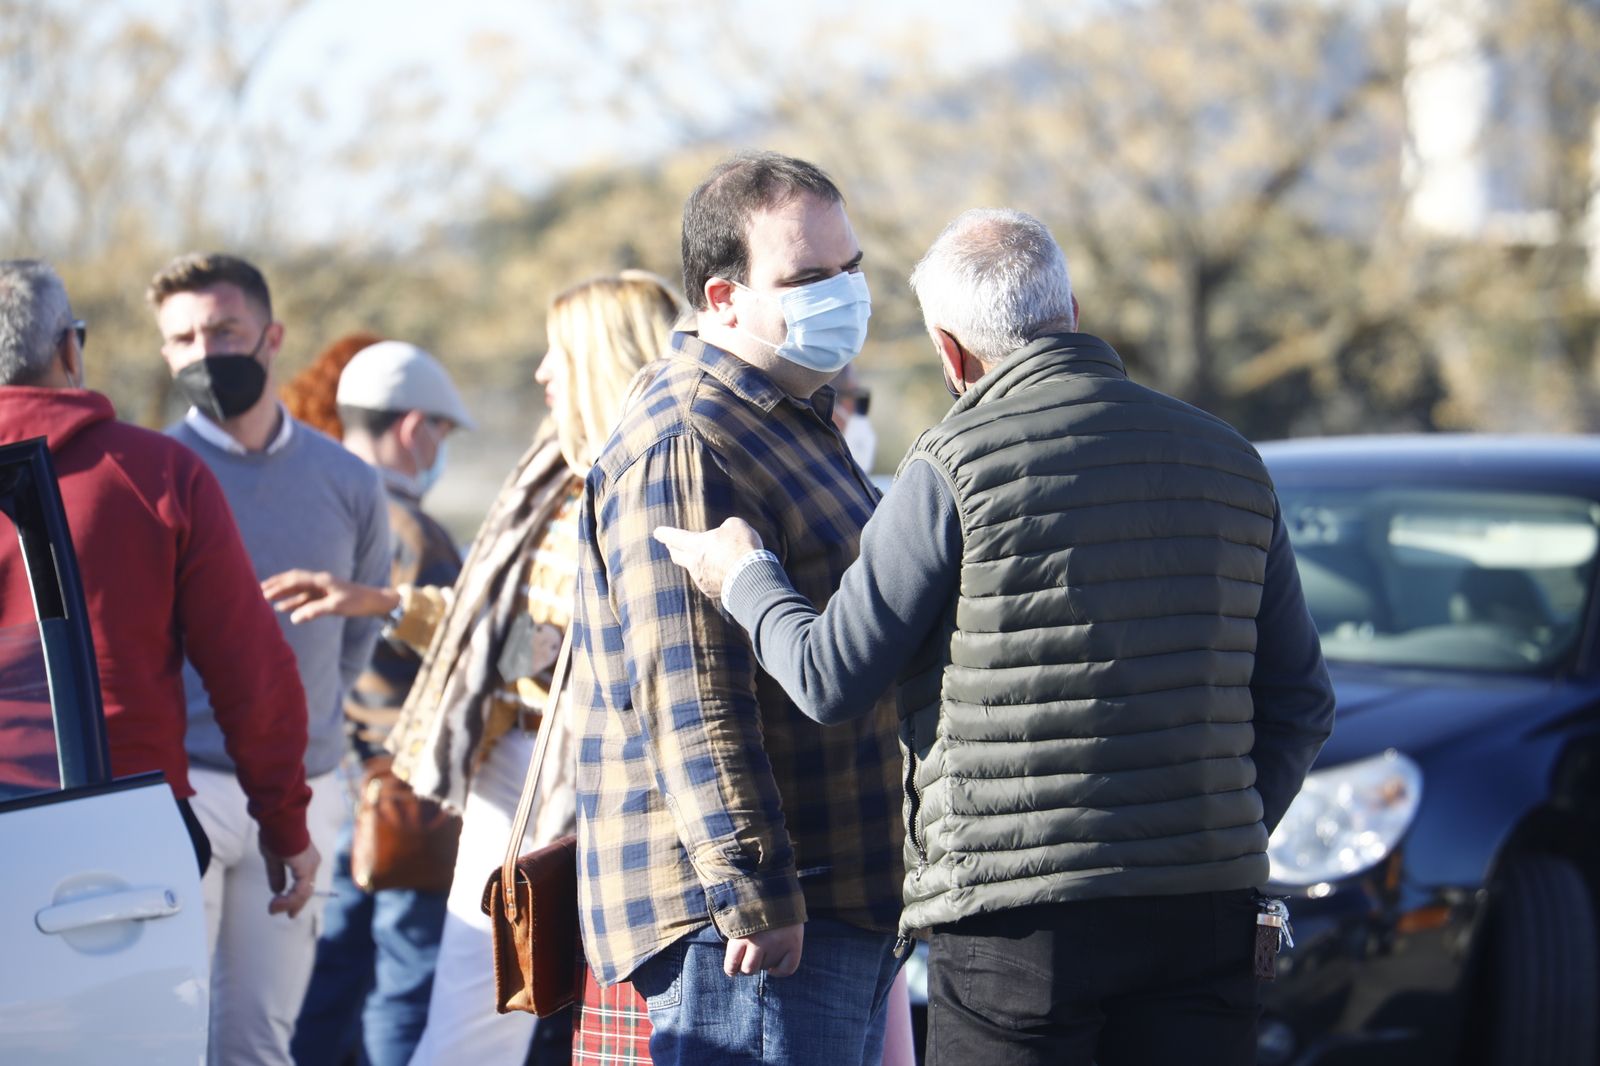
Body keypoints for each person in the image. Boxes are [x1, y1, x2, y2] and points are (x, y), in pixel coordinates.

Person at [653, 208, 1339, 1066]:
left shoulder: (954, 463)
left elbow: (830, 678)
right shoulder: (1230, 457)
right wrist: (1214, 834)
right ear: (1071, 311)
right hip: (1208, 914)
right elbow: (1302, 703)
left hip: (1015, 920)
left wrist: (744, 577)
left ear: (951, 353)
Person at [262, 271, 685, 1066]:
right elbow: (506, 636)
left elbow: (632, 646)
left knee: (588, 1019)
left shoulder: (659, 478)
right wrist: (383, 602)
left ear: (603, 356)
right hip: (516, 764)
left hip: (607, 775)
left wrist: (545, 646)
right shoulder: (556, 476)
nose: (543, 372)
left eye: (558, 353)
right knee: (475, 1008)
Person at [571, 151, 905, 1066]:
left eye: (851, 267)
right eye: (808, 277)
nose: (845, 293)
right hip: (757, 926)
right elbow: (689, 693)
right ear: (722, 298)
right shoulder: (689, 439)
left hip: (835, 894)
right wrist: (753, 889)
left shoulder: (786, 415)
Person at [0, 258, 316, 908]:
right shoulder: (156, 472)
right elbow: (248, 670)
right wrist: (284, 822)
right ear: (69, 349)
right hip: (123, 822)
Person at [148, 252, 393, 1066]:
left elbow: (351, 641)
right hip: (177, 790)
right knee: (169, 1040)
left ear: (271, 336)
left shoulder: (349, 481)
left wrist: (306, 724)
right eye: (183, 339)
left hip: (304, 789)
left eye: (224, 330)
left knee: (259, 1041)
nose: (204, 352)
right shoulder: (148, 479)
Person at [290, 340, 472, 1066]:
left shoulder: (312, 507)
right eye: (442, 431)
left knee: (327, 981)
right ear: (413, 427)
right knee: (407, 983)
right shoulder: (415, 534)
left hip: (330, 777)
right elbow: (475, 652)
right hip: (409, 793)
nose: (439, 449)